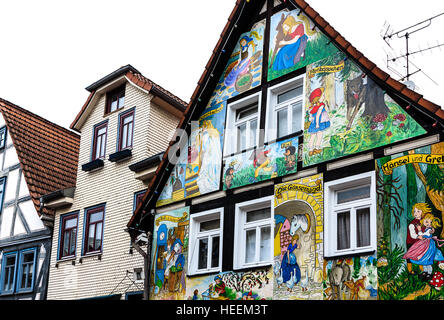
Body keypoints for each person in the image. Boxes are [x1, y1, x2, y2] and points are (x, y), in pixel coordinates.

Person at [403, 213, 444, 280]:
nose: (428, 223)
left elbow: (423, 234)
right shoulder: (426, 228)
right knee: (424, 260)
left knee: (427, 259)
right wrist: (420, 230)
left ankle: (429, 273)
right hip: (424, 244)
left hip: (428, 246)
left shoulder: (429, 229)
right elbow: (421, 234)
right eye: (426, 221)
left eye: (430, 222)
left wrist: (419, 230)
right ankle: (425, 272)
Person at [404, 203, 429, 274]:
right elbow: (412, 234)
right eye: (414, 211)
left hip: (421, 243)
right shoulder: (412, 223)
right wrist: (418, 236)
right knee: (409, 256)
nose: (416, 213)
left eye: (418, 211)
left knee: (421, 255)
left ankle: (422, 270)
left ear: (422, 212)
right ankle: (410, 270)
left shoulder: (424, 222)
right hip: (411, 242)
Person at [307, 87, 330, 156]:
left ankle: (310, 150)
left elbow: (311, 115)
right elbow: (318, 115)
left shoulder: (313, 107)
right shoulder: (320, 106)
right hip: (319, 123)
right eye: (322, 95)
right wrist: (317, 124)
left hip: (313, 123)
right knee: (319, 135)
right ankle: (316, 148)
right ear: (318, 98)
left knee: (312, 136)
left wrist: (311, 119)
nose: (324, 97)